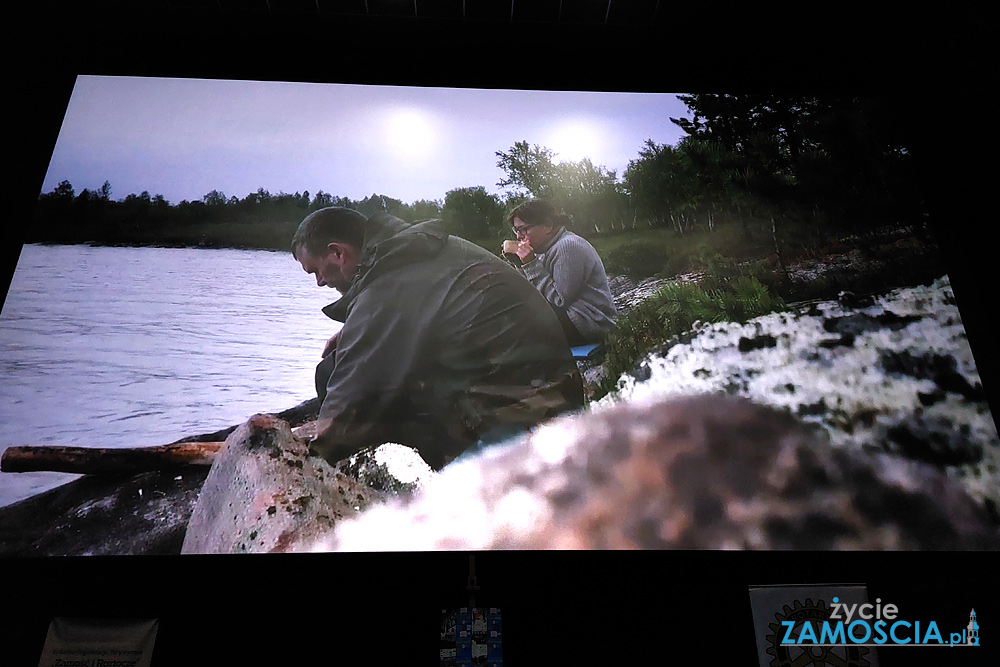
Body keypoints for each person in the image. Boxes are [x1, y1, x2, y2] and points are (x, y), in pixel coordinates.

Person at [291, 206, 584, 470]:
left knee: (364, 397)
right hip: (544, 385)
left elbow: (350, 400)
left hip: (533, 409)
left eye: (316, 270)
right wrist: (357, 328)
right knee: (333, 371)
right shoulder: (409, 253)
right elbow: (422, 304)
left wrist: (303, 456)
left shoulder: (389, 281)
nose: (320, 282)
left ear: (337, 252)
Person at [503, 199, 617, 346]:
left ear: (547, 225)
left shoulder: (567, 246)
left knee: (517, 329)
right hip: (571, 318)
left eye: (524, 229)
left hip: (589, 322)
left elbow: (559, 301)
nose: (519, 237)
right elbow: (532, 293)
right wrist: (519, 262)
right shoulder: (543, 248)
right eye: (516, 230)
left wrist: (530, 264)